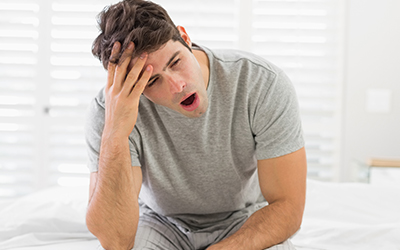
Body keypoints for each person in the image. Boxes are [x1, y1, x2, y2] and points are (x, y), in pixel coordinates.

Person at [84, 0, 307, 249]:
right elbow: (116, 240)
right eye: (153, 80)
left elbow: (288, 206)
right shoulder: (109, 111)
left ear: (185, 37)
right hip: (160, 223)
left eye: (176, 62)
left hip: (245, 220)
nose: (177, 86)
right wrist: (115, 131)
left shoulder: (261, 83)